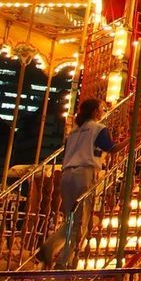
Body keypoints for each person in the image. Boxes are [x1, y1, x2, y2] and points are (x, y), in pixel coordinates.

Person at [38, 99, 115, 267]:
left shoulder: (73, 133)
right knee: (81, 223)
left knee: (70, 219)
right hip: (84, 174)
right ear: (95, 112)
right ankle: (64, 261)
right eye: (101, 109)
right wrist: (132, 141)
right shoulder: (98, 128)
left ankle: (50, 246)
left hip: (67, 175)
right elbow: (112, 148)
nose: (102, 112)